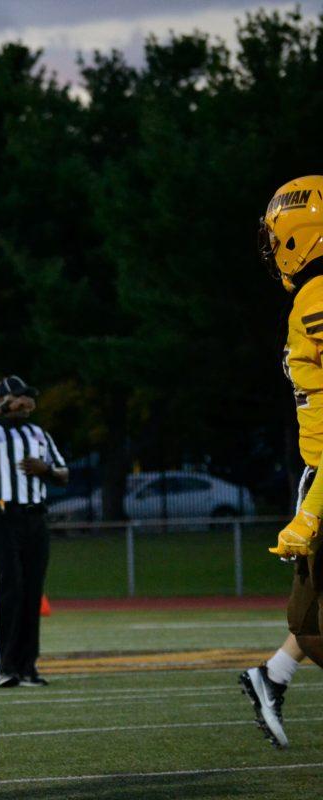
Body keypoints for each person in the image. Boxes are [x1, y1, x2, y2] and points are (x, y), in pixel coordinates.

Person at [240, 175, 323, 748]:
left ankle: (271, 675)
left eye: (277, 238)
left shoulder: (315, 302)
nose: (272, 250)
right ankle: (272, 674)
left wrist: (312, 511)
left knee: (312, 626)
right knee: (309, 625)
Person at [0, 375, 68, 688]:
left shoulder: (38, 433)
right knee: (7, 589)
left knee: (32, 592)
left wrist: (45, 470)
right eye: (22, 397)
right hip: (0, 516)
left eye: (30, 397)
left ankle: (27, 667)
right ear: (6, 400)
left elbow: (63, 473)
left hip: (34, 518)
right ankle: (5, 668)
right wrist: (2, 410)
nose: (29, 403)